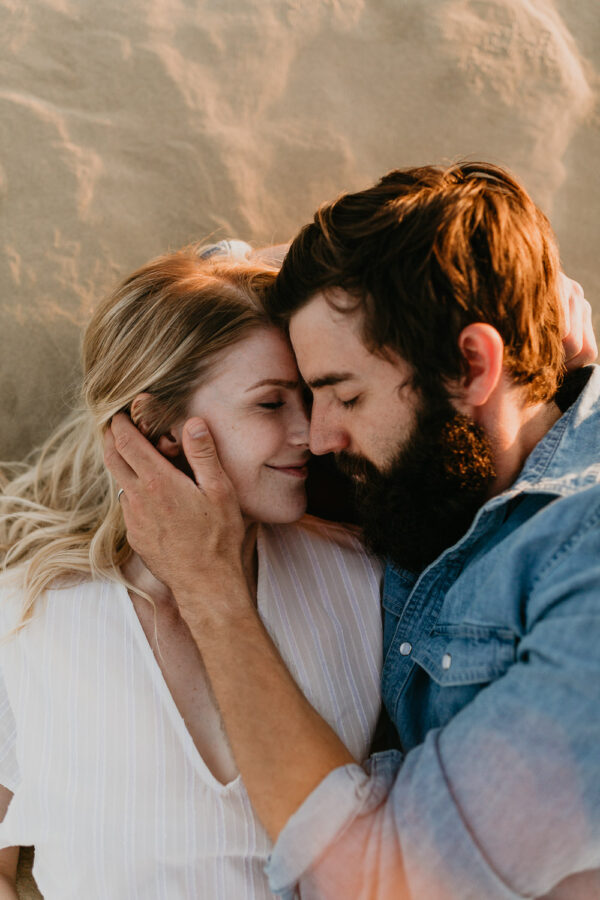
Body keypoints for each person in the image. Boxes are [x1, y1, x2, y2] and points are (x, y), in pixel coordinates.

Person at [105, 162, 600, 899]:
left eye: (343, 394)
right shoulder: (448, 449)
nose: (320, 435)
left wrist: (212, 592)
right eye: (304, 393)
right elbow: (218, 288)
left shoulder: (580, 577)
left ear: (471, 366)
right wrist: (525, 295)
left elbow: (377, 879)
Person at [0, 246, 385, 899]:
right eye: (270, 405)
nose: (312, 435)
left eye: (312, 397)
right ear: (157, 428)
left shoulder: (367, 581)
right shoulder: (28, 616)